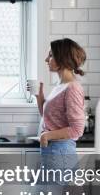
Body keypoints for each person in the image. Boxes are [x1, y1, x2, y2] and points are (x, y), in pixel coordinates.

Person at [35, 38, 86, 184]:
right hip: (52, 151)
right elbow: (50, 119)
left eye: (51, 55)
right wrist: (40, 97)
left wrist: (46, 136)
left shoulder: (72, 88)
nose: (47, 59)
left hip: (60, 153)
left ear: (62, 59)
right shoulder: (60, 85)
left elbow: (77, 130)